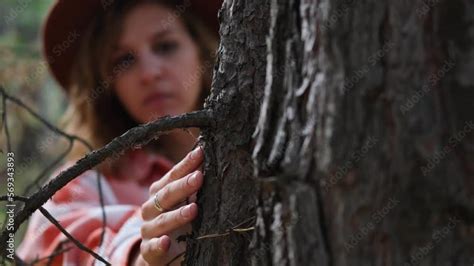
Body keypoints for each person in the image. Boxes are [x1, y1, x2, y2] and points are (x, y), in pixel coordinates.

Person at [16, 0, 222, 265]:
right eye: (124, 60)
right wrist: (141, 255)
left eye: (165, 46)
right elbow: (59, 247)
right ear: (106, 83)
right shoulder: (82, 185)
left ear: (202, 50)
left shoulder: (261, 146)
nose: (149, 73)